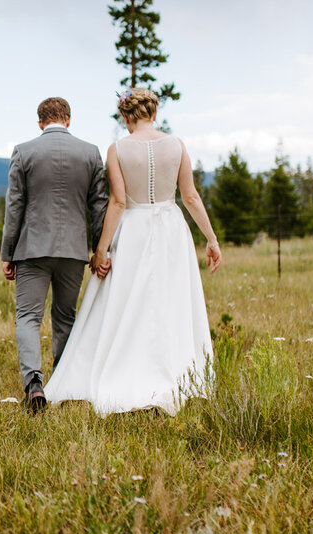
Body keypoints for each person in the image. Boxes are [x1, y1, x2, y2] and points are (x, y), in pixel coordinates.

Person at [43, 88, 222, 416]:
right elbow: (191, 197)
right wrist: (211, 239)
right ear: (154, 113)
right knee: (170, 299)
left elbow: (119, 201)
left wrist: (101, 250)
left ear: (126, 117)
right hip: (171, 229)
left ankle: (125, 364)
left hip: (134, 229)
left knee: (126, 298)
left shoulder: (117, 149)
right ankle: (173, 368)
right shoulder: (177, 145)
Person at [1, 97, 109, 414]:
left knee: (28, 318)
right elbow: (99, 205)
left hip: (32, 249)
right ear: (69, 120)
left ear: (40, 123)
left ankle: (34, 385)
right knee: (65, 318)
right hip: (74, 251)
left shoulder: (24, 151)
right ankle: (63, 381)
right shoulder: (90, 153)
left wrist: (8, 253)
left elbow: (14, 207)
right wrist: (99, 249)